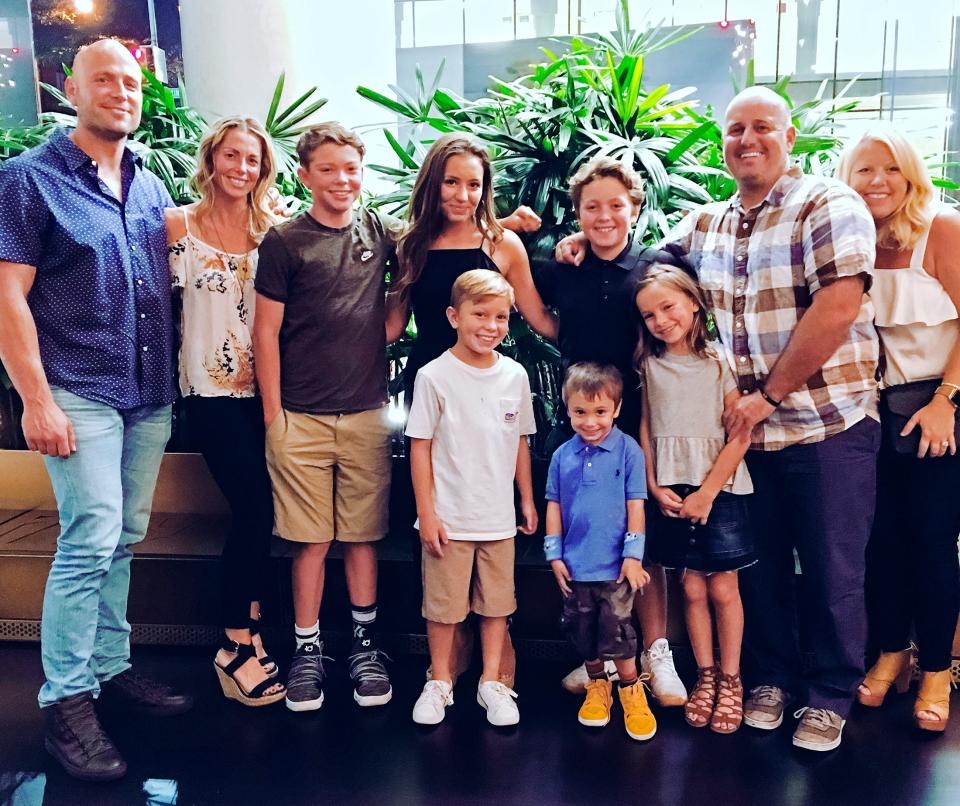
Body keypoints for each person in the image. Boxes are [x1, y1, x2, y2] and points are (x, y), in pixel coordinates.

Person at [657, 87, 879, 751]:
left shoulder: (827, 203)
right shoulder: (707, 223)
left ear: (789, 135)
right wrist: (583, 240)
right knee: (762, 569)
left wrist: (770, 396)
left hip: (825, 426)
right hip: (748, 440)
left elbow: (838, 305)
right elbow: (650, 271)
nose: (746, 141)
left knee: (834, 569)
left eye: (761, 128)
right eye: (734, 131)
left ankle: (832, 693)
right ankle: (774, 678)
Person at [0, 39, 192, 782]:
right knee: (90, 539)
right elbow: (8, 294)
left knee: (124, 535)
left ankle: (110, 669)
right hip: (77, 390)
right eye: (105, 80)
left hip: (146, 391)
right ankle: (66, 703)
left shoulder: (144, 180)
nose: (122, 91)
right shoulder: (27, 180)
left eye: (132, 81)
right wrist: (35, 399)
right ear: (68, 89)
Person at [386, 132, 555, 688]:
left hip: (488, 392)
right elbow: (390, 326)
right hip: (432, 390)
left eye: (473, 184)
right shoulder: (411, 244)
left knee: (489, 513)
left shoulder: (503, 243)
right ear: (433, 184)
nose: (462, 194)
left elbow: (534, 315)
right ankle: (447, 650)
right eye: (451, 182)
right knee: (434, 521)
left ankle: (496, 650)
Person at [253, 122, 398, 711]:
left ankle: (365, 644)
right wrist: (274, 419)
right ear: (306, 174)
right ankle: (306, 648)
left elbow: (438, 243)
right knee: (308, 541)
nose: (343, 179)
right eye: (330, 169)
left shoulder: (380, 232)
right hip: (299, 419)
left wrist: (511, 227)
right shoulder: (285, 242)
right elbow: (264, 333)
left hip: (366, 413)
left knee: (362, 537)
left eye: (352, 169)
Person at [539, 155, 688, 707]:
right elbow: (539, 310)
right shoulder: (561, 267)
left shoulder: (654, 265)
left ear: (636, 207)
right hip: (582, 422)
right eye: (590, 207)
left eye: (615, 206)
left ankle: (655, 652)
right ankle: (597, 657)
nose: (604, 217)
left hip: (640, 418)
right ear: (576, 212)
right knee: (587, 535)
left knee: (643, 543)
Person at [836, 128, 960, 732]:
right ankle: (891, 652)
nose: (877, 181)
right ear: (847, 177)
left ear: (911, 177)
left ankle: (937, 668)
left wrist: (947, 399)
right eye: (864, 170)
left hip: (940, 405)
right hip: (872, 414)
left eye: (890, 169)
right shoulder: (848, 238)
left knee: (933, 544)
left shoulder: (942, 229)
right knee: (879, 542)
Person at [166, 116, 286, 706]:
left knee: (261, 513)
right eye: (232, 156)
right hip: (209, 394)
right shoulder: (175, 225)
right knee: (252, 505)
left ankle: (252, 627)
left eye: (254, 160)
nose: (243, 169)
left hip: (267, 393)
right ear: (212, 159)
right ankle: (234, 642)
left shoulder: (276, 228)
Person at [405, 269, 538, 726]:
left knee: (497, 604)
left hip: (498, 519)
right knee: (443, 607)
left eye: (501, 316)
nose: (490, 325)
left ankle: (492, 682)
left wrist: (527, 500)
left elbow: (520, 440)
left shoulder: (515, 375)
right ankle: (439, 680)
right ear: (453, 316)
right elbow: (419, 445)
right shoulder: (433, 376)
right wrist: (427, 512)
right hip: (449, 518)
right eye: (479, 314)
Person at [634, 265, 755, 734]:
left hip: (718, 487)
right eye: (649, 315)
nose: (661, 320)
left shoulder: (721, 361)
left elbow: (740, 434)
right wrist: (652, 483)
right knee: (690, 586)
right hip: (670, 488)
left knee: (723, 587)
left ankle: (732, 678)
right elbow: (645, 428)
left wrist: (708, 492)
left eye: (668, 307)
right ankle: (704, 675)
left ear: (693, 304)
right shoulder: (648, 365)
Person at [544, 362, 656, 741]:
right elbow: (554, 505)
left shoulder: (628, 451)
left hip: (616, 568)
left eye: (600, 412)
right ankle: (597, 686)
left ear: (617, 409)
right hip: (576, 568)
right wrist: (554, 554)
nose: (590, 421)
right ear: (568, 409)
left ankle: (630, 690)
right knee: (583, 631)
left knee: (618, 631)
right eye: (580, 412)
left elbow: (636, 504)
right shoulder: (562, 456)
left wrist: (633, 555)